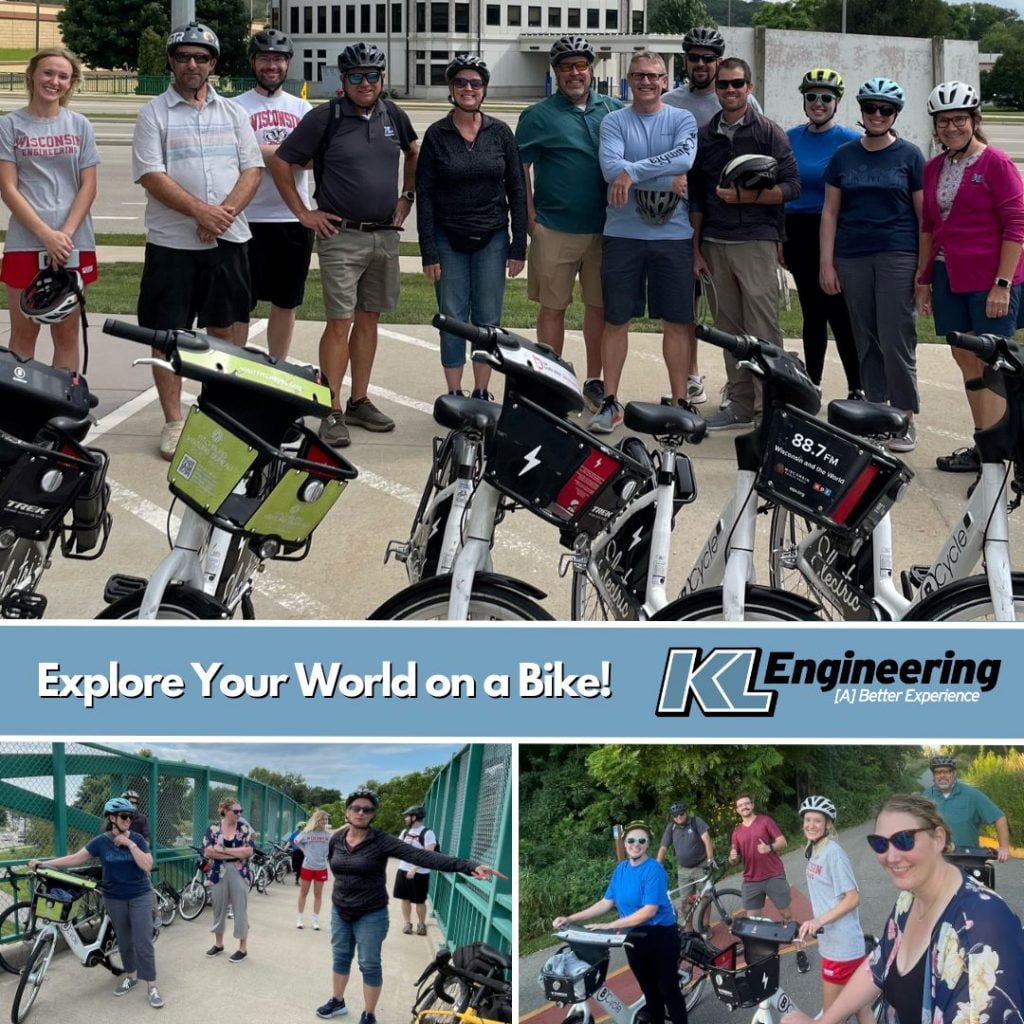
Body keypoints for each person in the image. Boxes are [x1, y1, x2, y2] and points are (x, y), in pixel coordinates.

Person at [272, 42, 418, 449]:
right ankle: (331, 408)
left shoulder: (393, 114)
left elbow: (414, 150)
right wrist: (304, 213)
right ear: (343, 79)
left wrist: (407, 196)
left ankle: (359, 400)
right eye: (357, 76)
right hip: (341, 236)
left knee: (369, 319)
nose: (366, 83)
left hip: (384, 235)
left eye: (373, 75)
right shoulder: (326, 118)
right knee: (340, 322)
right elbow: (281, 162)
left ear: (382, 78)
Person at [132, 22, 262, 460]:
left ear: (214, 64)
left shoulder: (234, 115)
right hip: (173, 244)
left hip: (227, 239)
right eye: (184, 56)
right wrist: (199, 212)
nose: (192, 64)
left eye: (201, 57)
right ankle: (173, 421)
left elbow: (252, 171)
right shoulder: (155, 114)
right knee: (167, 333)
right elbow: (152, 175)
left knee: (224, 330)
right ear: (171, 61)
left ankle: (217, 414)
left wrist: (220, 216)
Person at [782, 793, 1024, 1024]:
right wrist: (826, 1020)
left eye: (904, 840)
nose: (891, 856)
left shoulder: (985, 926)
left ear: (939, 838)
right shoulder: (908, 899)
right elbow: (877, 964)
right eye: (880, 844)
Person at [315, 788, 506, 1021]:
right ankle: (337, 1001)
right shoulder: (337, 839)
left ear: (373, 814)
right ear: (347, 811)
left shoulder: (381, 841)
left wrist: (468, 866)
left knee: (369, 963)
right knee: (341, 957)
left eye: (368, 809)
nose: (361, 812)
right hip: (340, 910)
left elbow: (424, 857)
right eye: (356, 808)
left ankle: (369, 1013)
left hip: (370, 913)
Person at [914, 81, 1024, 477]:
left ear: (974, 121)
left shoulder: (996, 163)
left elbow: (1016, 226)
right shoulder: (934, 167)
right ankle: (985, 445)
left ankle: (996, 462)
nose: (951, 127)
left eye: (959, 119)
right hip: (949, 277)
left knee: (993, 366)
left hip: (989, 281)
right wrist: (923, 280)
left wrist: (1003, 283)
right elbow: (929, 226)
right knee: (966, 362)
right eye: (943, 121)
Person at [688, 57, 800, 431]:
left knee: (764, 329)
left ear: (749, 88)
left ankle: (771, 408)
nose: (730, 90)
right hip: (716, 243)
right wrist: (696, 248)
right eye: (724, 85)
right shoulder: (706, 135)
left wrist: (751, 199)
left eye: (738, 84)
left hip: (756, 241)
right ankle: (739, 406)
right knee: (731, 331)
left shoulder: (769, 132)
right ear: (716, 89)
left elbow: (792, 186)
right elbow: (700, 197)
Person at [590, 51, 698, 433]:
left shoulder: (681, 118)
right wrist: (657, 175)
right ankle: (610, 402)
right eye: (639, 75)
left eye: (654, 76)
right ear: (629, 80)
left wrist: (631, 173)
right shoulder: (614, 121)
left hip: (674, 236)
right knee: (616, 319)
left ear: (666, 81)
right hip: (623, 234)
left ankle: (681, 401)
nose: (647, 82)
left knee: (678, 321)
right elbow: (609, 170)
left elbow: (685, 159)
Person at [515, 36, 622, 413]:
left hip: (605, 229)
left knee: (599, 309)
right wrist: (530, 221)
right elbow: (519, 171)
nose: (575, 73)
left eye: (581, 66)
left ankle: (594, 381)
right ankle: (552, 380)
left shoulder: (613, 109)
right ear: (556, 72)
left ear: (592, 70)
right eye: (566, 67)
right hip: (554, 227)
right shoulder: (537, 116)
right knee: (553, 307)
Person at [820, 78, 924, 453]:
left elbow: (923, 216)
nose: (877, 115)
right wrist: (826, 263)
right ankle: (875, 411)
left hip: (897, 253)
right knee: (865, 337)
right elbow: (830, 213)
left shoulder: (910, 156)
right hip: (852, 255)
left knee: (897, 336)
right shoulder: (844, 155)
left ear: (895, 114)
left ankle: (904, 416)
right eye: (870, 108)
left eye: (885, 110)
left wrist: (922, 270)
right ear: (861, 111)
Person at [663, 26, 763, 408]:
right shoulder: (670, 100)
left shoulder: (744, 102)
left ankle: (736, 387)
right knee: (683, 306)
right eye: (694, 57)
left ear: (720, 62)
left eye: (709, 58)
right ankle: (691, 378)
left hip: (724, 219)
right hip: (675, 217)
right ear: (686, 59)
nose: (701, 64)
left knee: (730, 310)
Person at [416, 54, 527, 398]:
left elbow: (517, 189)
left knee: (488, 317)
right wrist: (428, 251)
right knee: (453, 317)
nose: (468, 88)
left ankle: (481, 390)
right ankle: (455, 392)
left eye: (475, 83)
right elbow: (425, 195)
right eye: (461, 82)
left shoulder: (500, 133)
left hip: (492, 236)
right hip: (447, 238)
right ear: (451, 88)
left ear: (484, 90)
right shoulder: (437, 135)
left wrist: (518, 244)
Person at [0, 46, 98, 371]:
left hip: (71, 243)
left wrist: (64, 236)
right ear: (32, 75)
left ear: (70, 83)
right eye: (48, 73)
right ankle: (19, 415)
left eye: (62, 76)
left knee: (67, 335)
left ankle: (62, 410)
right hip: (26, 242)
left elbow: (88, 185)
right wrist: (45, 234)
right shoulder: (10, 126)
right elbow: (9, 188)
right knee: (24, 335)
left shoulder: (80, 125)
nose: (54, 81)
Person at [28, 797, 163, 1008]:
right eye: (124, 816)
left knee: (142, 941)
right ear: (112, 818)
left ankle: (152, 986)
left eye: (131, 816)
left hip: (140, 896)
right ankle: (131, 976)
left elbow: (146, 865)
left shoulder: (136, 838)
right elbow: (75, 858)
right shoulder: (101, 841)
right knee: (125, 942)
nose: (129, 820)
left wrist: (128, 844)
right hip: (114, 898)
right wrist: (43, 863)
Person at [552, 821, 689, 1024]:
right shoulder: (621, 870)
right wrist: (571, 918)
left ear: (647, 844)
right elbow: (606, 902)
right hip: (633, 939)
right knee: (649, 991)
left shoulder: (654, 870)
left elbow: (649, 911)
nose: (636, 844)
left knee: (668, 990)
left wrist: (610, 925)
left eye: (642, 841)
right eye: (631, 840)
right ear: (625, 844)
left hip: (660, 936)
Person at [233, 29, 315, 359]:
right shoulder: (234, 108)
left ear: (287, 64)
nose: (272, 65)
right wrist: (287, 154)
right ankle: (233, 375)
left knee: (286, 302)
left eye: (278, 59)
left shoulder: (303, 108)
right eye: (265, 58)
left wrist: (259, 152)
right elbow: (233, 156)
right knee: (239, 304)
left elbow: (312, 159)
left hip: (292, 218)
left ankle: (277, 369)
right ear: (253, 62)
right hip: (245, 218)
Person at [784, 69, 862, 396]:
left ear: (837, 102)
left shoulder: (850, 141)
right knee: (811, 312)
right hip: (796, 231)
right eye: (812, 97)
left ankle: (856, 388)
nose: (818, 103)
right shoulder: (789, 137)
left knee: (840, 313)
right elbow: (782, 188)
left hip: (832, 231)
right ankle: (811, 385)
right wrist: (779, 237)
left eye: (826, 97)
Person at [796, 796, 872, 1024]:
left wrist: (818, 921)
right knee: (861, 1007)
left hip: (842, 947)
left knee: (832, 1017)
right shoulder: (815, 849)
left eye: (817, 821)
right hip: (836, 943)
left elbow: (852, 898)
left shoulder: (833, 853)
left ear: (828, 824)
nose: (811, 825)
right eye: (807, 820)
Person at [921, 754, 1011, 860]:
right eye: (937, 772)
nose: (942, 776)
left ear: (954, 774)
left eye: (947, 771)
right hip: (936, 858)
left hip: (968, 858)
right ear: (933, 776)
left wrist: (1004, 847)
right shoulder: (927, 796)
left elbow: (999, 817)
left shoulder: (972, 795)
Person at [203, 796, 253, 963]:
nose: (239, 814)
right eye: (235, 811)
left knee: (240, 909)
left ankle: (242, 948)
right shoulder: (213, 828)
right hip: (218, 872)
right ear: (225, 810)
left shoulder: (244, 828)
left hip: (239, 872)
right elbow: (208, 852)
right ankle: (219, 944)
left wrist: (223, 850)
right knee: (218, 908)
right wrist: (235, 851)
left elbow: (247, 852)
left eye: (241, 811)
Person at [728, 793, 792, 921]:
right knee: (753, 919)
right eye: (740, 805)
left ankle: (795, 938)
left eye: (746, 803)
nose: (744, 807)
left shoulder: (765, 821)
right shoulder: (737, 832)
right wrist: (732, 857)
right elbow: (733, 861)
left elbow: (782, 842)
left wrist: (769, 848)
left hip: (773, 875)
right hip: (751, 880)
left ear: (752, 805)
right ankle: (766, 939)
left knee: (786, 914)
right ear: (737, 810)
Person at [655, 800, 714, 907]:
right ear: (672, 817)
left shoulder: (696, 822)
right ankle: (688, 924)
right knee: (686, 902)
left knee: (706, 898)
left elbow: (707, 840)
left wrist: (710, 859)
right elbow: (663, 848)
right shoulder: (671, 827)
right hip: (683, 870)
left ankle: (705, 924)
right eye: (675, 815)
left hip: (701, 866)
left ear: (686, 812)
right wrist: (657, 866)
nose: (678, 817)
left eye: (681, 813)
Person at [393, 803, 437, 935]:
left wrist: (414, 868)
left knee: (419, 900)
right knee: (404, 898)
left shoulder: (427, 833)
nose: (405, 819)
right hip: (403, 869)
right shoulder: (405, 832)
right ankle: (407, 923)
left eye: (407, 816)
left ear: (415, 817)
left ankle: (421, 924)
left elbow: (429, 854)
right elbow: (398, 848)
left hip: (420, 872)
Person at [295, 808, 333, 930]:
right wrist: (304, 850)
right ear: (317, 820)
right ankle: (300, 918)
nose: (325, 822)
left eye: (326, 820)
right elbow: (296, 841)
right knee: (303, 893)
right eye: (323, 819)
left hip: (321, 868)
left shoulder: (328, 835)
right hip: (307, 867)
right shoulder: (307, 833)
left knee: (318, 894)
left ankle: (315, 920)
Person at [286, 821, 305, 886]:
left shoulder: (307, 834)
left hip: (302, 852)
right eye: (300, 827)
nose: (301, 828)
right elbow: (290, 841)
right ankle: (297, 872)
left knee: (300, 866)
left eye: (303, 827)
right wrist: (285, 848)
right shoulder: (295, 833)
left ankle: (297, 879)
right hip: (295, 851)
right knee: (294, 865)